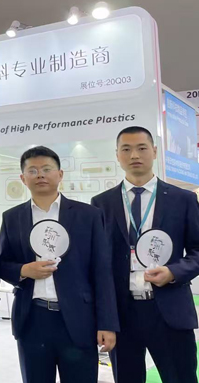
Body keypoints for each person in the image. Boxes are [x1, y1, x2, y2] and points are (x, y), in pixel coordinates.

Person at [0, 146, 118, 383]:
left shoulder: (88, 215)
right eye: (32, 171)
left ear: (60, 174)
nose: (40, 175)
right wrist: (23, 270)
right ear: (23, 178)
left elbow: (102, 271)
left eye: (46, 169)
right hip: (32, 319)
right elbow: (2, 263)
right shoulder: (12, 217)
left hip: (78, 318)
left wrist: (107, 323)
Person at [91, 126, 199, 383]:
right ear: (117, 155)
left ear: (154, 151)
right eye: (126, 149)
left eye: (141, 148)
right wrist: (104, 319)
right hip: (122, 313)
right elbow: (97, 263)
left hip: (169, 309)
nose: (134, 155)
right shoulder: (101, 203)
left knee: (181, 377)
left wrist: (174, 272)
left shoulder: (182, 199)